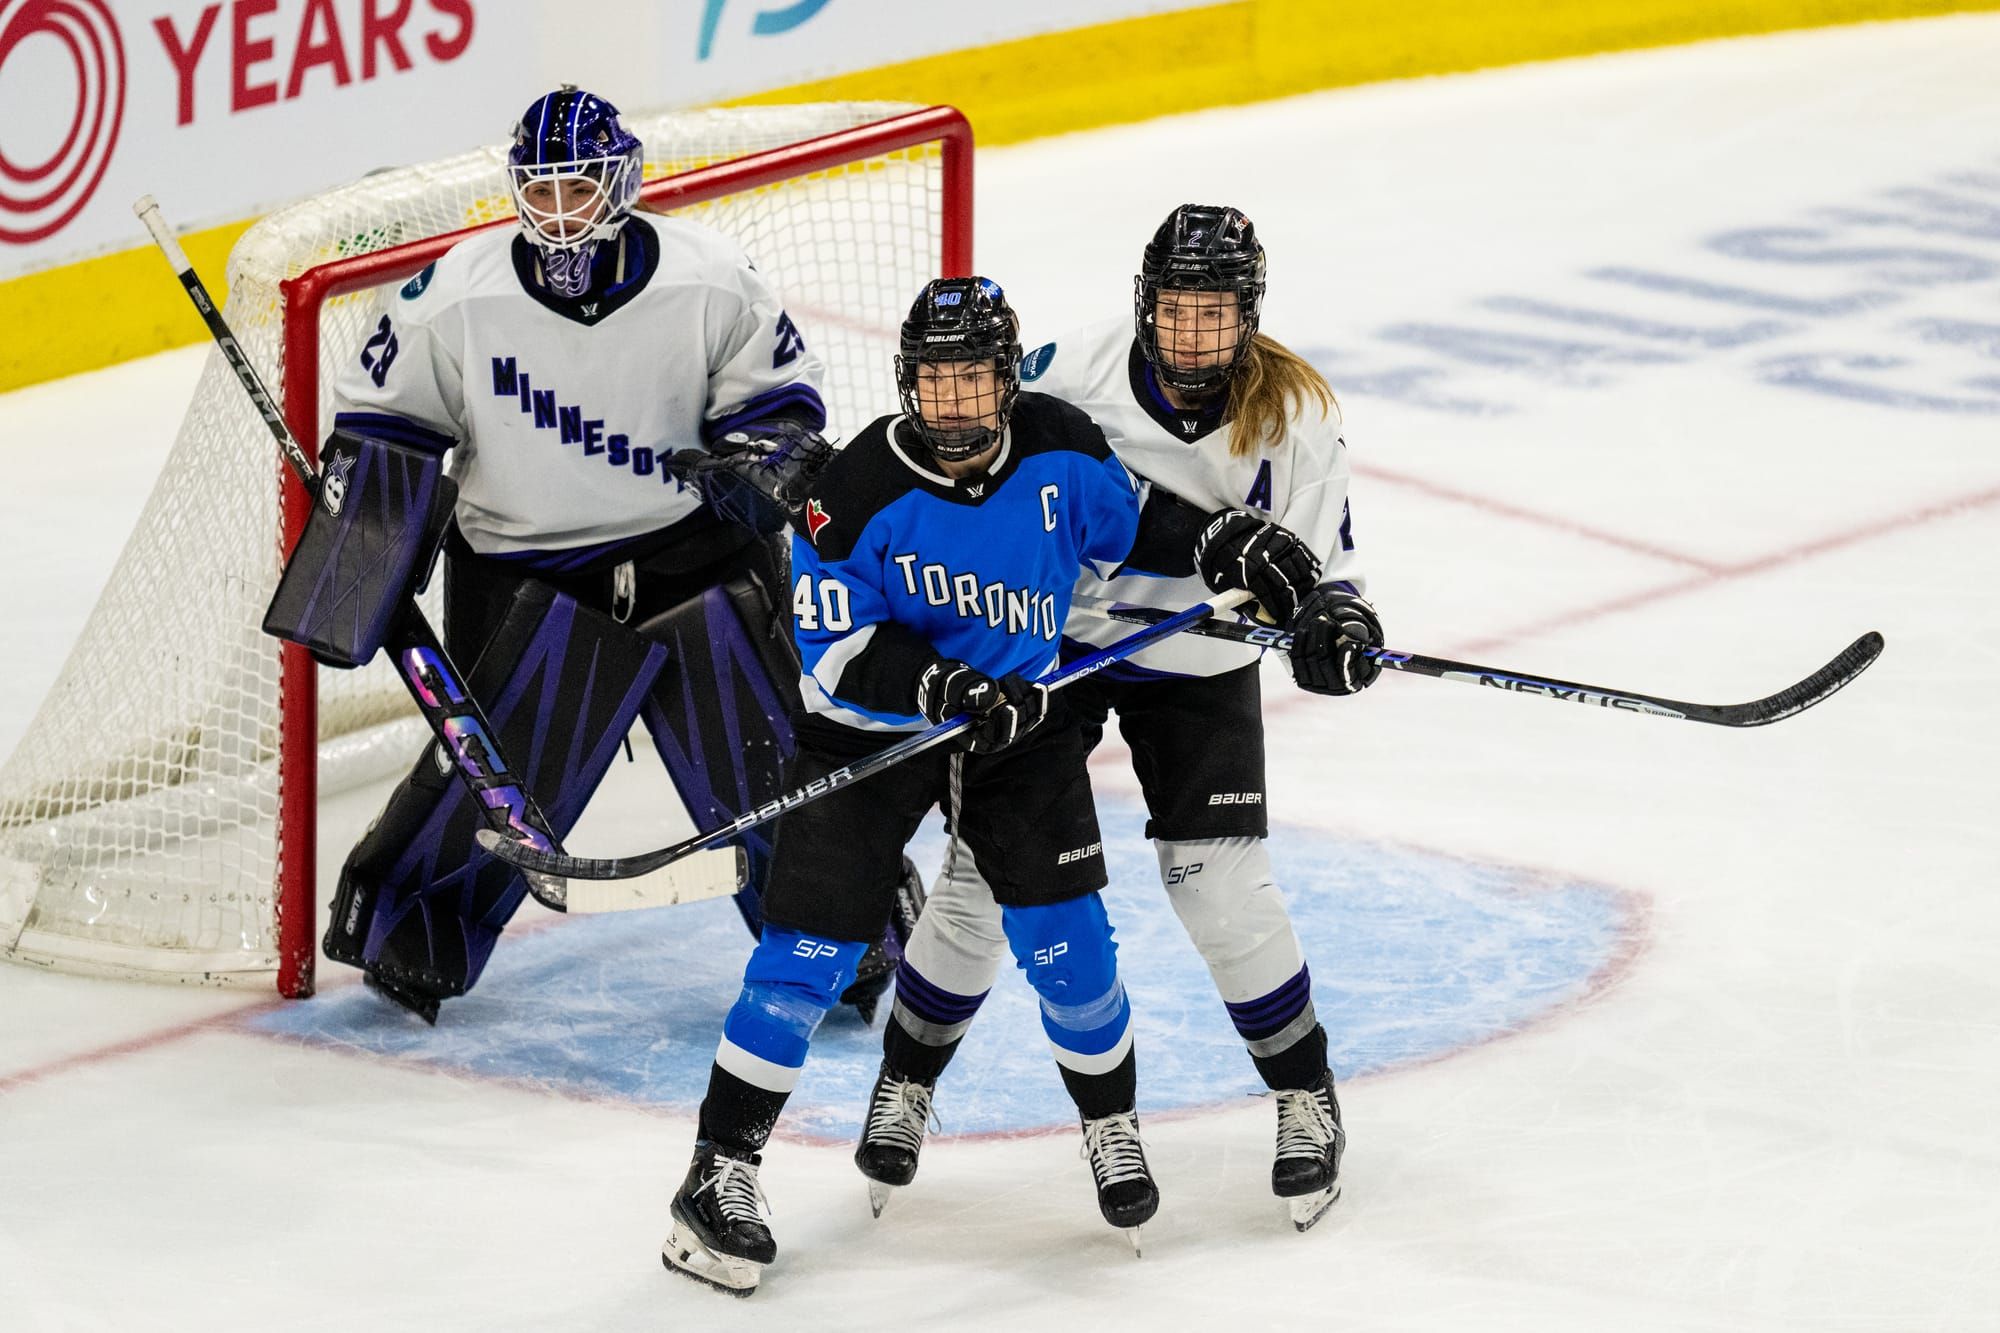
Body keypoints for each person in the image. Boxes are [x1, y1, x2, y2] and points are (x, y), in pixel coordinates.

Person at [270, 85, 913, 1021]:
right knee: (497, 786)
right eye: (542, 192)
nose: (560, 215)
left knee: (768, 766)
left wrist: (755, 465)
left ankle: (846, 936)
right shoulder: (456, 294)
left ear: (624, 184)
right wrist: (361, 550)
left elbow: (783, 412)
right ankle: (410, 934)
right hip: (525, 571)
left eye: (580, 190)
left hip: (690, 558)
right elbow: (388, 426)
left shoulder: (711, 276)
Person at [853, 205, 1382, 1234]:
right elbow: (984, 480)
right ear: (1144, 305)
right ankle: (906, 1083)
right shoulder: (1065, 373)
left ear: (1248, 314)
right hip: (1056, 652)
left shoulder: (1297, 414)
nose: (1192, 336)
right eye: (1175, 311)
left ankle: (1303, 1093)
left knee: (1218, 890)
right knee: (976, 886)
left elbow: (1330, 570)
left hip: (1197, 664)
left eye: (1214, 313)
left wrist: (1333, 620)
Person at [662, 277, 1171, 1296]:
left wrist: (1222, 546)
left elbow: (1133, 537)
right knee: (802, 958)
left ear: (1005, 382)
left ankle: (1110, 1123)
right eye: (932, 384)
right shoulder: (853, 491)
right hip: (867, 735)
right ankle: (716, 1176)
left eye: (971, 381)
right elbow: (833, 648)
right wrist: (935, 680)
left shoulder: (1061, 446)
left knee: (1068, 952)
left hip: (1015, 729)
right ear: (906, 385)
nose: (951, 406)